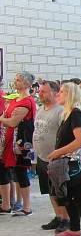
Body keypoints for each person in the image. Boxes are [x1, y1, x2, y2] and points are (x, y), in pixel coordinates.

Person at [48, 83, 81, 236]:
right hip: (69, 164)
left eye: (61, 92)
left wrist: (58, 152)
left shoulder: (76, 114)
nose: (58, 95)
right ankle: (75, 228)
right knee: (70, 197)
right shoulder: (70, 114)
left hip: (75, 164)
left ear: (70, 95)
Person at [34, 80, 69, 231]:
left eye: (43, 91)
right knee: (49, 190)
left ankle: (66, 219)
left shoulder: (61, 111)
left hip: (57, 158)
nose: (39, 93)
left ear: (55, 93)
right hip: (42, 157)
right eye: (40, 91)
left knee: (59, 190)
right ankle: (58, 216)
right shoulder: (41, 109)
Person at [0, 71, 36, 216]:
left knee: (20, 172)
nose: (16, 82)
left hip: (21, 141)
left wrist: (2, 119)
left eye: (19, 80)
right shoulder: (15, 99)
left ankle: (27, 207)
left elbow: (12, 121)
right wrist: (4, 118)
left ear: (27, 83)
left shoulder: (27, 101)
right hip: (9, 139)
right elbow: (7, 116)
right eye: (16, 80)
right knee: (6, 170)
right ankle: (6, 204)